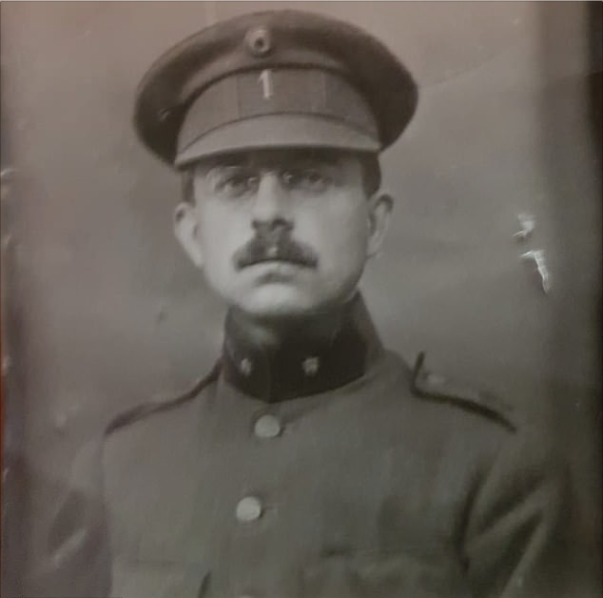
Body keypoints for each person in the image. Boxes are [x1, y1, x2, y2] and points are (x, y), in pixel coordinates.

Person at [31, 9, 572, 598]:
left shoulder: (490, 470)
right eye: (235, 183)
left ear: (374, 222)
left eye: (309, 177)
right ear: (191, 233)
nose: (269, 213)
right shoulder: (117, 471)